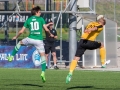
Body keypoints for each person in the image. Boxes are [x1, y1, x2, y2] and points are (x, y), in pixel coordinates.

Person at [7, 6, 54, 83]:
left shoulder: (28, 20)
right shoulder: (41, 19)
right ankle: (43, 72)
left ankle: (11, 56)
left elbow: (21, 31)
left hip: (30, 39)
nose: (40, 13)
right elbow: (46, 29)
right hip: (39, 41)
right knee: (43, 56)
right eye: (40, 12)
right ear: (36, 12)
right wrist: (50, 34)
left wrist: (16, 36)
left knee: (19, 43)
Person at [66, 15, 111, 84]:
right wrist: (90, 30)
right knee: (101, 45)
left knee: (76, 58)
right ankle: (103, 64)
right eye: (103, 20)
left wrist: (88, 29)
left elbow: (86, 30)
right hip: (88, 42)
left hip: (81, 42)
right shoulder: (100, 26)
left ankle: (70, 73)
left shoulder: (90, 24)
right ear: (100, 21)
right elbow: (95, 28)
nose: (103, 22)